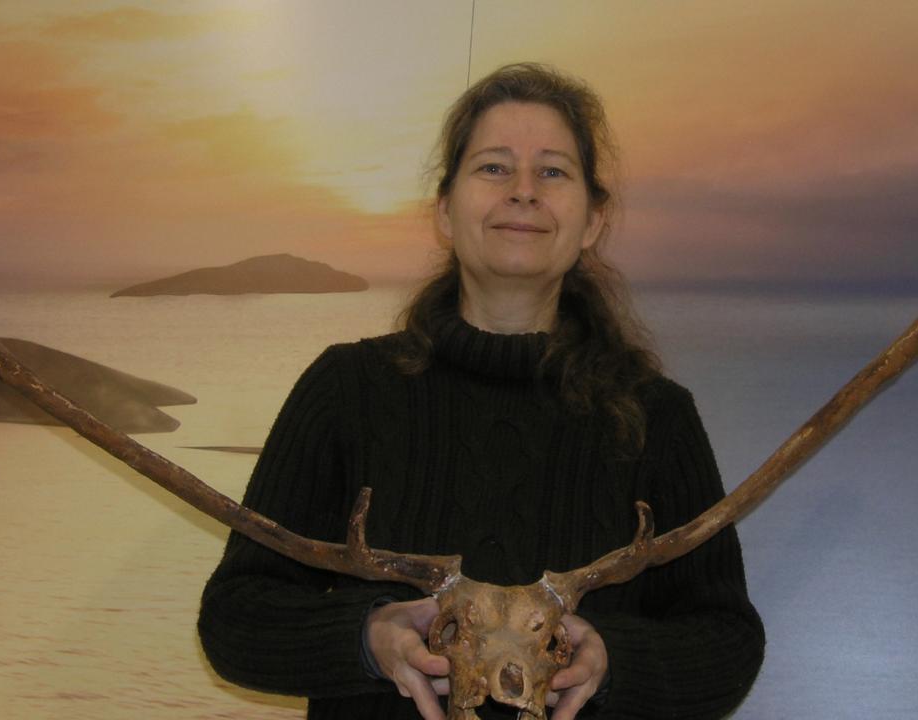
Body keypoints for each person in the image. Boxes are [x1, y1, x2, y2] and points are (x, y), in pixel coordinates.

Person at [198, 62, 765, 719]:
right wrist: (365, 636)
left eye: (553, 171)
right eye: (494, 167)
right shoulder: (345, 390)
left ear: (592, 221)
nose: (523, 191)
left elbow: (727, 645)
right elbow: (235, 618)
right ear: (445, 209)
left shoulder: (657, 418)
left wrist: (613, 659)